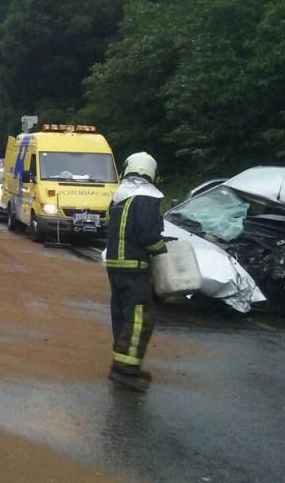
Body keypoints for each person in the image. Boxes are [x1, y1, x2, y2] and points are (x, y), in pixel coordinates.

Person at [105, 152, 167, 391]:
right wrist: (163, 249)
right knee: (139, 317)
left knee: (122, 315)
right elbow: (148, 235)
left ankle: (124, 361)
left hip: (115, 265)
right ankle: (125, 370)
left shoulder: (120, 194)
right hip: (134, 266)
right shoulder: (147, 196)